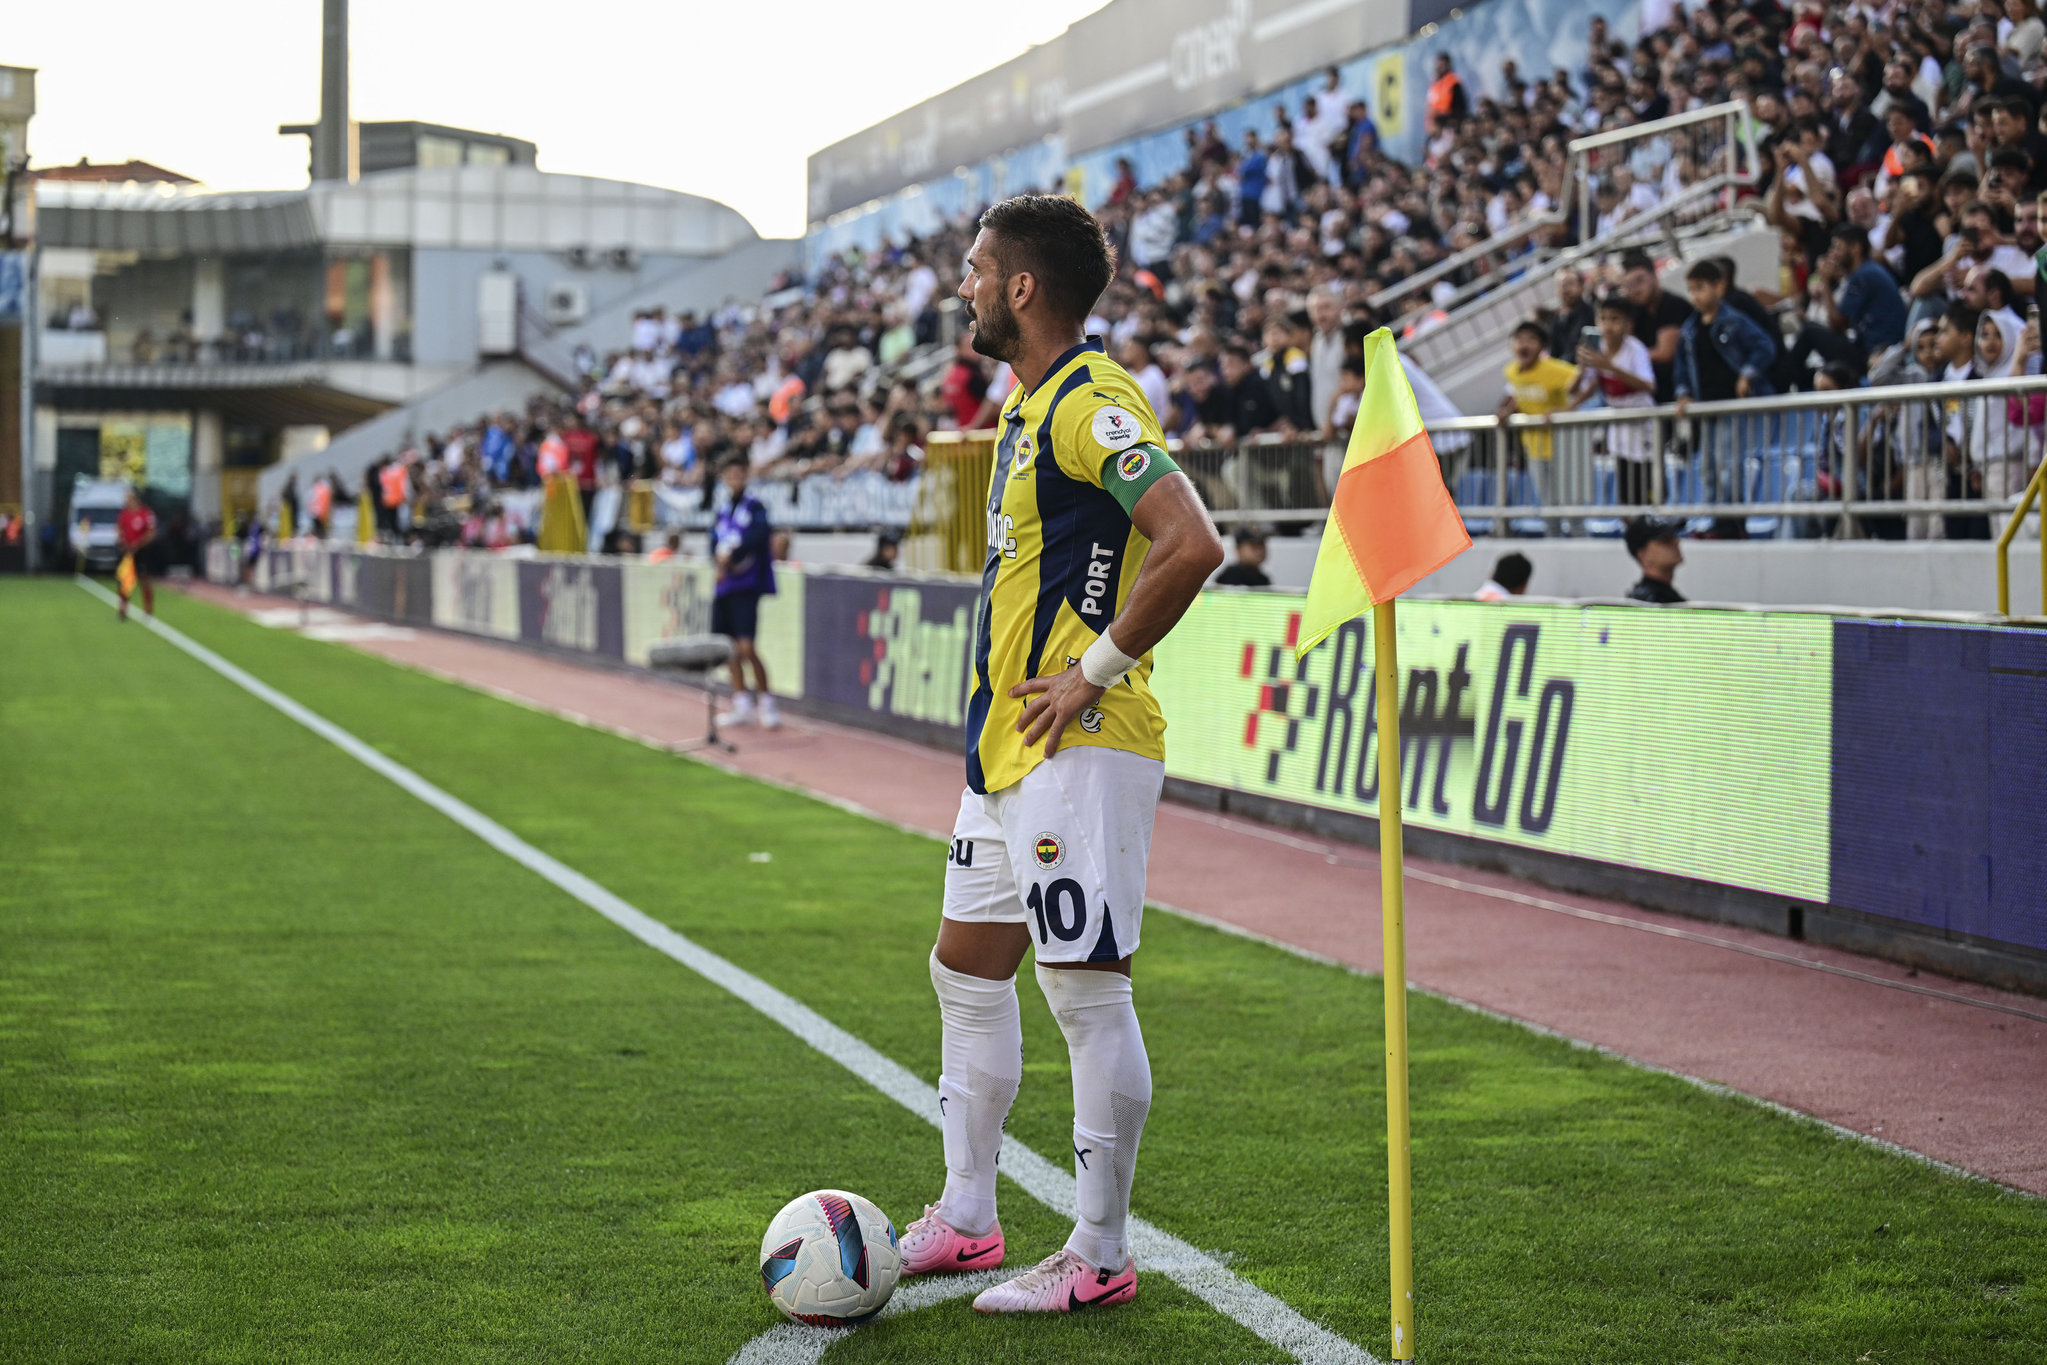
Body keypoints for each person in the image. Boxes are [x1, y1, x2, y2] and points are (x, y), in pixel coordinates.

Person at [902, 193, 1224, 1316]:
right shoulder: (1031, 408)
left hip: (1079, 743)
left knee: (1084, 990)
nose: (965, 285)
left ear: (1021, 288)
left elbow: (1191, 544)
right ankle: (969, 1217)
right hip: (1005, 752)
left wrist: (1093, 670)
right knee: (963, 967)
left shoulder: (1092, 403)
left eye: (977, 268)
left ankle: (1098, 1250)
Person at [710, 458, 780, 730]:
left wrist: (732, 556)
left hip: (746, 585)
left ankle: (766, 702)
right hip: (725, 586)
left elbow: (759, 535)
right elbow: (713, 541)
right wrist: (717, 561)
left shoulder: (755, 507)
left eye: (739, 474)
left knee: (747, 648)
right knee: (729, 650)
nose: (734, 479)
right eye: (730, 475)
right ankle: (741, 702)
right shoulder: (723, 510)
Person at [1571, 296, 1658, 506]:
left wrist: (1610, 366)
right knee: (1624, 487)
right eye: (1603, 318)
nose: (1608, 325)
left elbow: (1649, 385)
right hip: (1619, 426)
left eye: (1615, 319)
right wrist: (1581, 369)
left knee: (1645, 484)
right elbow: (1584, 388)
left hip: (1642, 422)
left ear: (1628, 324)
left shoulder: (1635, 348)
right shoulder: (1597, 347)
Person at [1498, 322, 1579, 509]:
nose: (1524, 345)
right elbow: (1520, 395)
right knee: (1546, 505)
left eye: (1531, 340)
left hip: (1563, 447)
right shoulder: (1511, 371)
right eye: (1519, 339)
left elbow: (1590, 380)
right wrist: (1507, 411)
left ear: (1542, 346)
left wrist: (1567, 409)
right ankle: (1553, 537)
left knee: (1571, 506)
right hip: (1534, 448)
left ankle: (1578, 537)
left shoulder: (1558, 369)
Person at [115, 487, 157, 621]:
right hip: (127, 552)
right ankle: (123, 608)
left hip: (142, 551)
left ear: (135, 498)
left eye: (128, 498)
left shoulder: (146, 513)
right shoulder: (124, 514)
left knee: (144, 579)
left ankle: (148, 610)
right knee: (124, 579)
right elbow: (119, 530)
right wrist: (123, 542)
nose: (126, 500)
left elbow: (151, 533)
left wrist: (138, 544)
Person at [1624, 517, 1686, 604]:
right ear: (1644, 556)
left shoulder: (1663, 596)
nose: (1676, 542)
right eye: (1665, 540)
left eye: (1674, 536)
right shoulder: (1647, 602)